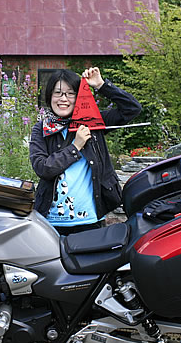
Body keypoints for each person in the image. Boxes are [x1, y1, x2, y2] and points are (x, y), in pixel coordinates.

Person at [29, 67, 141, 236]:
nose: (63, 99)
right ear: (49, 96)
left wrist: (101, 85)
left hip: (89, 222)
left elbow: (132, 109)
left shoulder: (93, 123)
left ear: (79, 96)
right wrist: (75, 147)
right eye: (58, 93)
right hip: (50, 222)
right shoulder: (41, 129)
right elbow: (43, 168)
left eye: (70, 93)